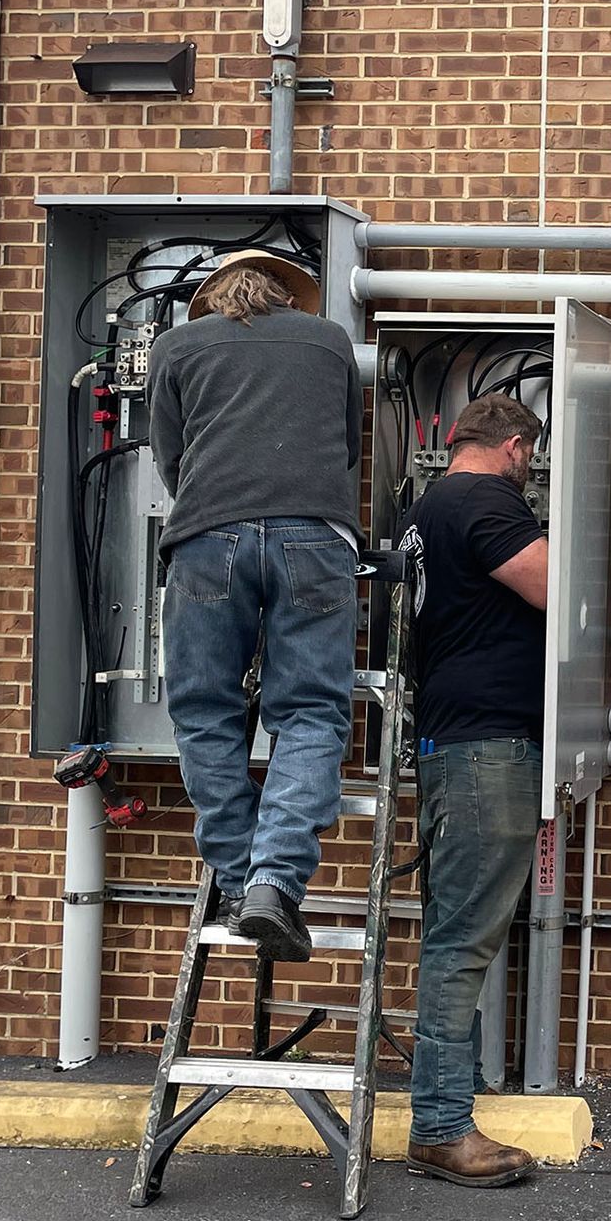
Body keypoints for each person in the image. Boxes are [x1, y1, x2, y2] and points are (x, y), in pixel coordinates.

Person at [147, 249, 362, 964]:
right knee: (308, 711)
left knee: (206, 710)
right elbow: (349, 449)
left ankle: (241, 885)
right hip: (315, 538)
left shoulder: (178, 347)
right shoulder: (329, 340)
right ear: (290, 296)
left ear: (210, 299)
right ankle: (276, 882)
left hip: (208, 539)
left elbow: (171, 461)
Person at [396, 393, 547, 1189]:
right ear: (516, 447)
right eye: (532, 460)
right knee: (460, 945)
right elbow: (553, 586)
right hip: (486, 747)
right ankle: (442, 1126)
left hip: (459, 741)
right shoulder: (483, 498)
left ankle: (444, 1113)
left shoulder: (428, 509)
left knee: (457, 937)